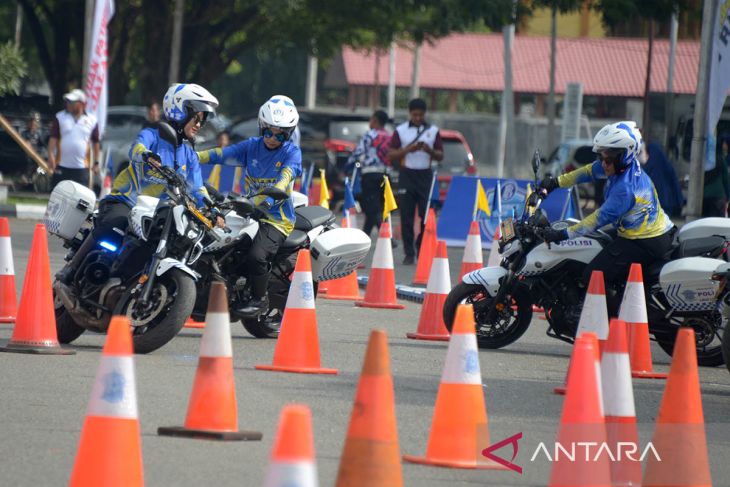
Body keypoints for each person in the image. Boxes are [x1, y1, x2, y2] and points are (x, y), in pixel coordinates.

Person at [56, 83, 222, 286]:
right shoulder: (154, 134)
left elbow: (197, 187)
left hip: (156, 213)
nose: (199, 124)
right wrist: (146, 155)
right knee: (113, 227)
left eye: (202, 120)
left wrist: (211, 208)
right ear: (179, 111)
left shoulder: (190, 155)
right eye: (196, 117)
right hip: (126, 201)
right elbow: (136, 148)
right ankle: (71, 269)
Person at [538, 121, 676, 316]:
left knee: (595, 275)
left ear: (625, 154)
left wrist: (562, 234)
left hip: (645, 241)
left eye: (608, 159)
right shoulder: (619, 165)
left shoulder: (625, 188)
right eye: (601, 157)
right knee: (593, 247)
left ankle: (614, 322)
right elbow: (587, 171)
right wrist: (555, 182)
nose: (604, 163)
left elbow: (596, 220)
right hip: (637, 232)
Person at [197, 95, 302, 317]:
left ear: (289, 134)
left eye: (280, 134)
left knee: (257, 256)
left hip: (276, 219)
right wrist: (193, 156)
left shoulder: (291, 152)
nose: (273, 138)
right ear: (261, 127)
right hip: (248, 212)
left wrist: (260, 200)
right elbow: (221, 154)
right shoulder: (251, 147)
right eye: (268, 132)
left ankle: (260, 299)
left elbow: (285, 179)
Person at [387, 98, 443, 265]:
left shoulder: (433, 131)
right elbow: (390, 154)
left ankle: (421, 246)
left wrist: (429, 150)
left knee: (425, 215)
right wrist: (408, 150)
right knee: (406, 216)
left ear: (424, 114)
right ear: (410, 113)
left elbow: (441, 155)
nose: (418, 117)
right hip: (407, 175)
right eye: (415, 114)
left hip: (425, 176)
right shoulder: (401, 130)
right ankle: (409, 252)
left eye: (420, 115)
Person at [345, 109, 391, 237]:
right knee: (378, 206)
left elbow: (358, 152)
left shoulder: (369, 135)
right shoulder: (389, 136)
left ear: (375, 120)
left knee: (371, 206)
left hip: (370, 175)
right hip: (385, 174)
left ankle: (386, 235)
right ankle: (365, 235)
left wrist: (347, 166)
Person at [48, 89, 100, 188]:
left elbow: (96, 142)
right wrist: (51, 155)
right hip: (61, 166)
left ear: (81, 103)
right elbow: (53, 138)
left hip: (81, 168)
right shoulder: (60, 117)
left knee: (80, 199)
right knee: (58, 198)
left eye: (71, 102)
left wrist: (96, 162)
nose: (68, 104)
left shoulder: (92, 120)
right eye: (67, 101)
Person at [702, 135, 730, 217]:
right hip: (719, 197)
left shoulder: (702, 160)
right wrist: (728, 197)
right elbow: (726, 180)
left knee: (704, 221)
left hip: (703, 197)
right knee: (717, 223)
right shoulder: (721, 160)